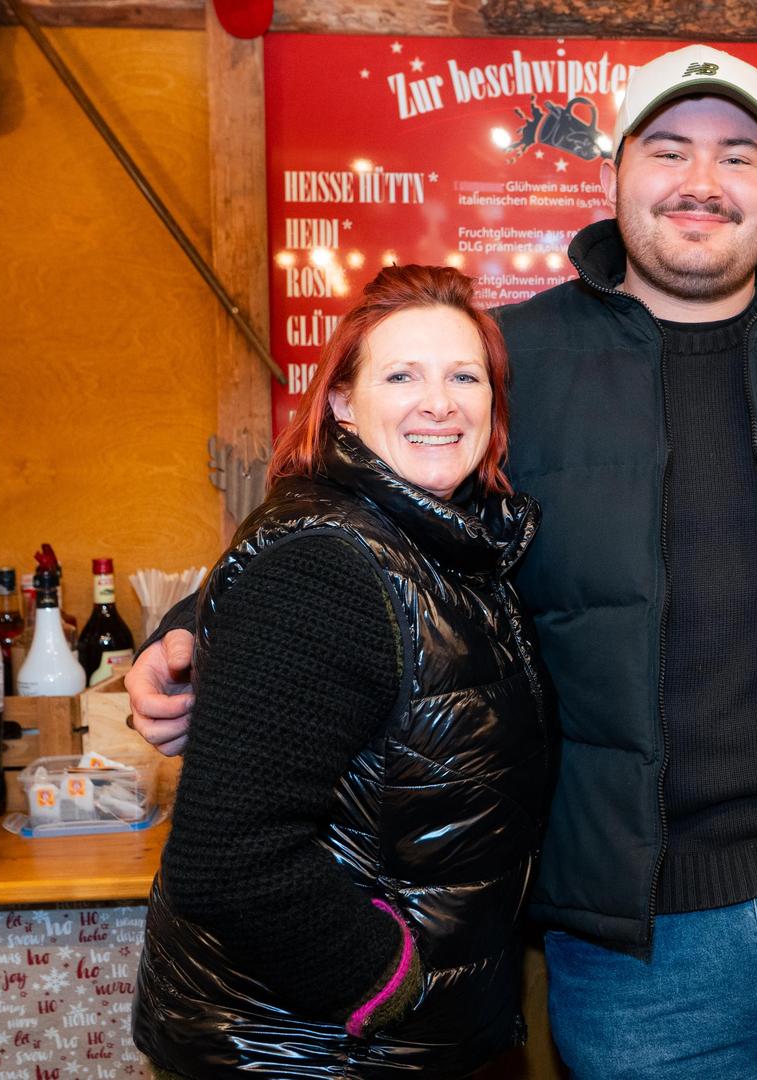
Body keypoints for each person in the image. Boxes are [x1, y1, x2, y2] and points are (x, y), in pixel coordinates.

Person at [127, 45, 757, 1078]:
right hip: (634, 945)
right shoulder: (512, 361)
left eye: (736, 155)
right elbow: (366, 512)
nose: (702, 183)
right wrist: (193, 626)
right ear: (614, 172)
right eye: (668, 150)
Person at [131, 265, 551, 1077]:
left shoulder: (449, 547)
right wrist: (387, 986)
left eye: (464, 376)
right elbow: (233, 860)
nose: (440, 402)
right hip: (313, 1051)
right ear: (342, 405)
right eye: (402, 375)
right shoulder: (330, 563)